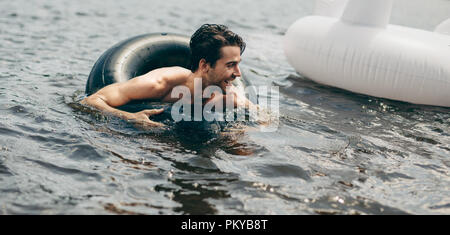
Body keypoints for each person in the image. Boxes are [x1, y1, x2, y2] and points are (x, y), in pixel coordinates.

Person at [82, 24, 254, 127]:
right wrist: (129, 116)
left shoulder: (227, 93)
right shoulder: (159, 84)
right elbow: (90, 101)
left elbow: (259, 113)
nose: (238, 73)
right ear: (204, 65)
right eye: (230, 65)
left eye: (238, 64)